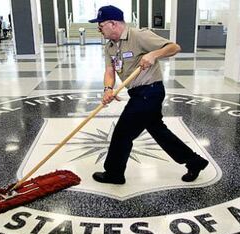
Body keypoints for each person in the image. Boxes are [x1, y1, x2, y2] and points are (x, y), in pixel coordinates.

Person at [89, 5, 209, 185]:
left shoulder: (138, 35)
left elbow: (174, 47)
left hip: (150, 92)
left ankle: (114, 173)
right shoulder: (110, 46)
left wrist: (154, 54)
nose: (99, 29)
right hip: (137, 92)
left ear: (113, 24)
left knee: (122, 133)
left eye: (101, 25)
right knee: (159, 131)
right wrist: (108, 89)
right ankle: (195, 162)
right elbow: (109, 71)